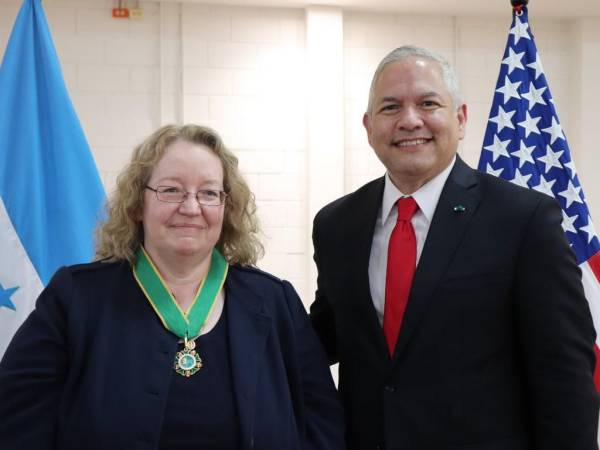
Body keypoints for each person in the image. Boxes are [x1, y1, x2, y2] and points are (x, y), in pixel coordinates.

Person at [310, 45, 599, 450]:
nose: (410, 120)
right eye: (390, 108)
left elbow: (564, 377)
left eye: (428, 103)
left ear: (460, 119)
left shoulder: (524, 220)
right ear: (369, 126)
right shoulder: (336, 225)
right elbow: (325, 338)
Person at [0, 124, 345, 450]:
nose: (191, 207)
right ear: (138, 203)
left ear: (227, 207)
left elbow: (322, 424)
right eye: (171, 190)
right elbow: (18, 422)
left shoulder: (274, 302)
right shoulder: (76, 298)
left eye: (209, 192)